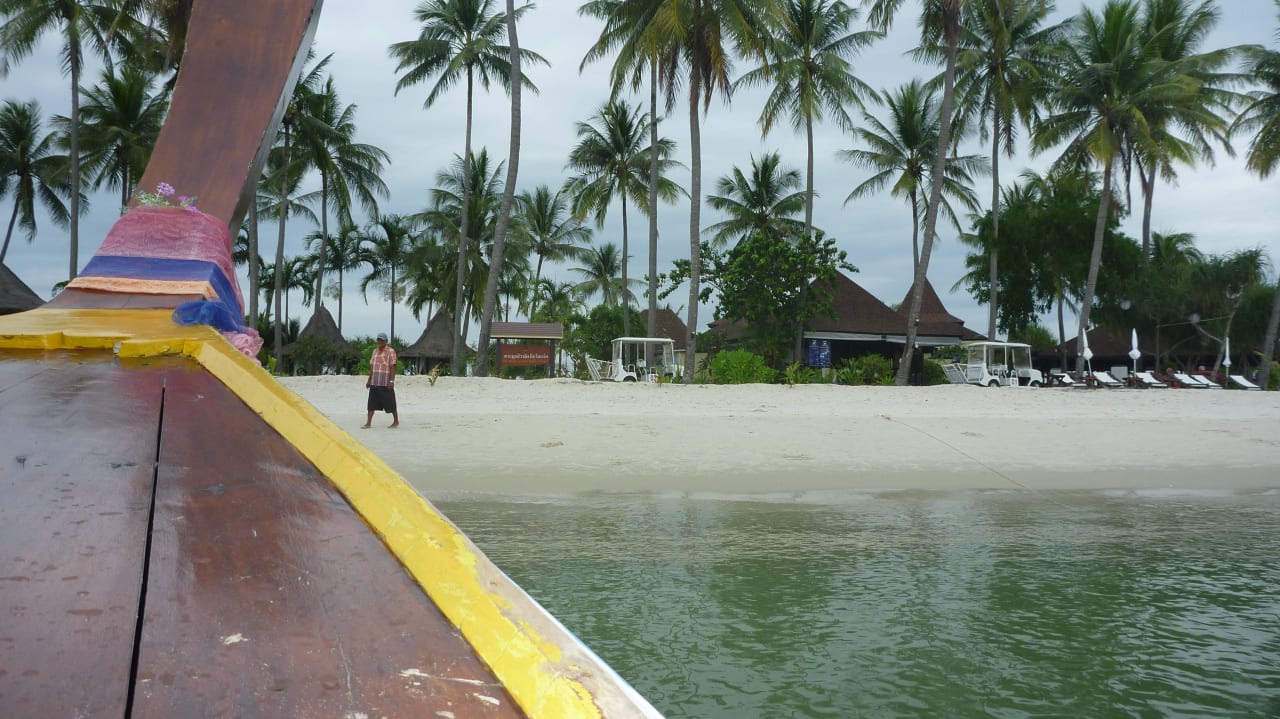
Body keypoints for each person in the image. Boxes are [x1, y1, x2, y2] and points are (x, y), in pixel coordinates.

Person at [362, 332, 399, 429]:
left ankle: (396, 421)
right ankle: (368, 423)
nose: (380, 341)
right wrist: (369, 380)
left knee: (390, 402)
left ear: (386, 341)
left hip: (385, 382)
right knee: (371, 403)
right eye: (379, 339)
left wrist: (391, 381)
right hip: (375, 382)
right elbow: (372, 367)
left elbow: (393, 366)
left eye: (382, 340)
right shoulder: (375, 351)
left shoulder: (391, 351)